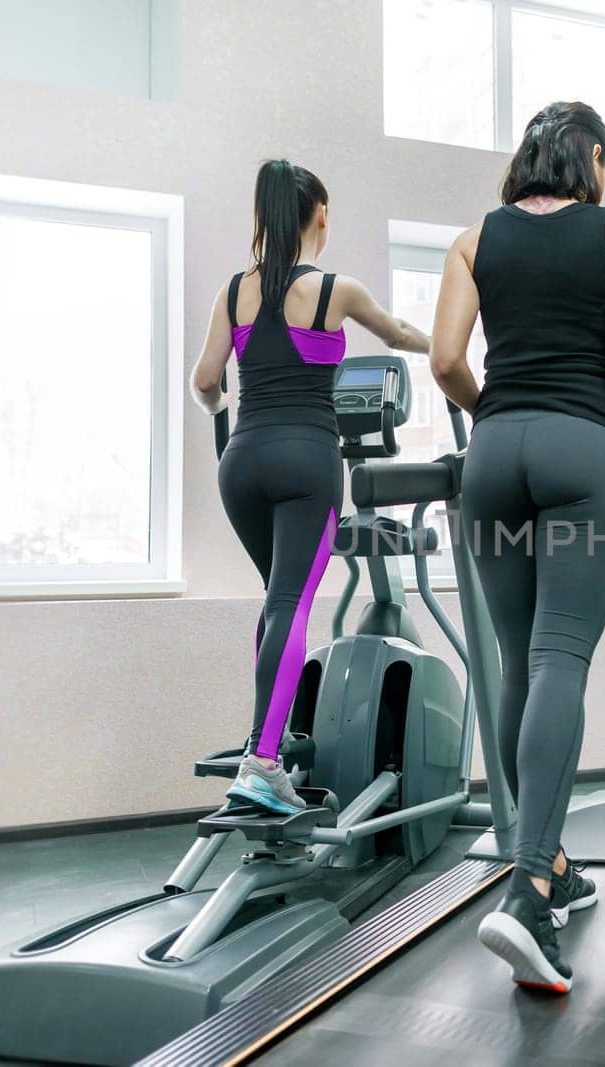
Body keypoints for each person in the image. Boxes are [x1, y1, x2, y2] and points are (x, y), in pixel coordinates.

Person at [429, 102, 605, 994]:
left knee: (514, 660)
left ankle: (547, 859)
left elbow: (446, 362)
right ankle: (530, 892)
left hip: (494, 454)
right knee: (560, 658)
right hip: (583, 452)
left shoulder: (474, 239)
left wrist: (495, 415)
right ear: (598, 161)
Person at [190, 159, 431, 814]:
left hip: (240, 466)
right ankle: (264, 762)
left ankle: (269, 740)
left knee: (277, 599)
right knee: (292, 602)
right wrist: (447, 350)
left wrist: (222, 418)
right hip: (307, 463)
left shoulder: (233, 291)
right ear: (319, 216)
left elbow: (206, 381)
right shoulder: (336, 290)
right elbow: (399, 333)